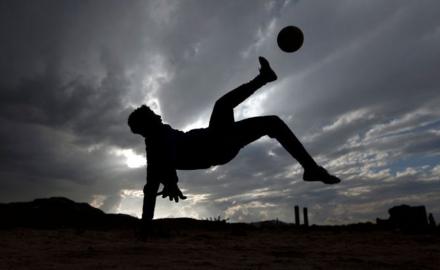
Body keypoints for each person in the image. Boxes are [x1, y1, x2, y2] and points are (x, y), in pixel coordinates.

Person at [128, 57, 340, 235]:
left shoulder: (156, 153)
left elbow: (151, 188)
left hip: (221, 145)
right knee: (224, 105)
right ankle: (263, 78)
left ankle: (310, 168)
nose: (158, 115)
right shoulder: (159, 140)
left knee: (272, 122)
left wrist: (145, 226)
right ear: (148, 126)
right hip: (215, 143)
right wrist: (171, 181)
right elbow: (167, 153)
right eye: (154, 116)